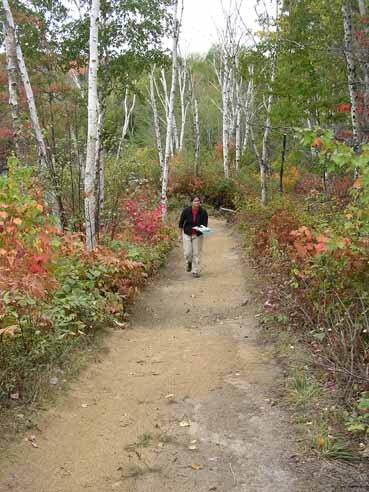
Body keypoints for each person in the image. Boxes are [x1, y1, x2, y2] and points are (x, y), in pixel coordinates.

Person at [178, 195, 208, 278]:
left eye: (198, 201)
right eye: (195, 201)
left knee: (197, 253)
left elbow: (205, 225)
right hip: (187, 233)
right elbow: (180, 224)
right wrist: (180, 235)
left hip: (198, 235)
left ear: (200, 202)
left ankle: (195, 271)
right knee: (188, 253)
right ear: (192, 202)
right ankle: (189, 262)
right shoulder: (186, 211)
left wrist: (201, 229)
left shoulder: (203, 212)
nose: (197, 202)